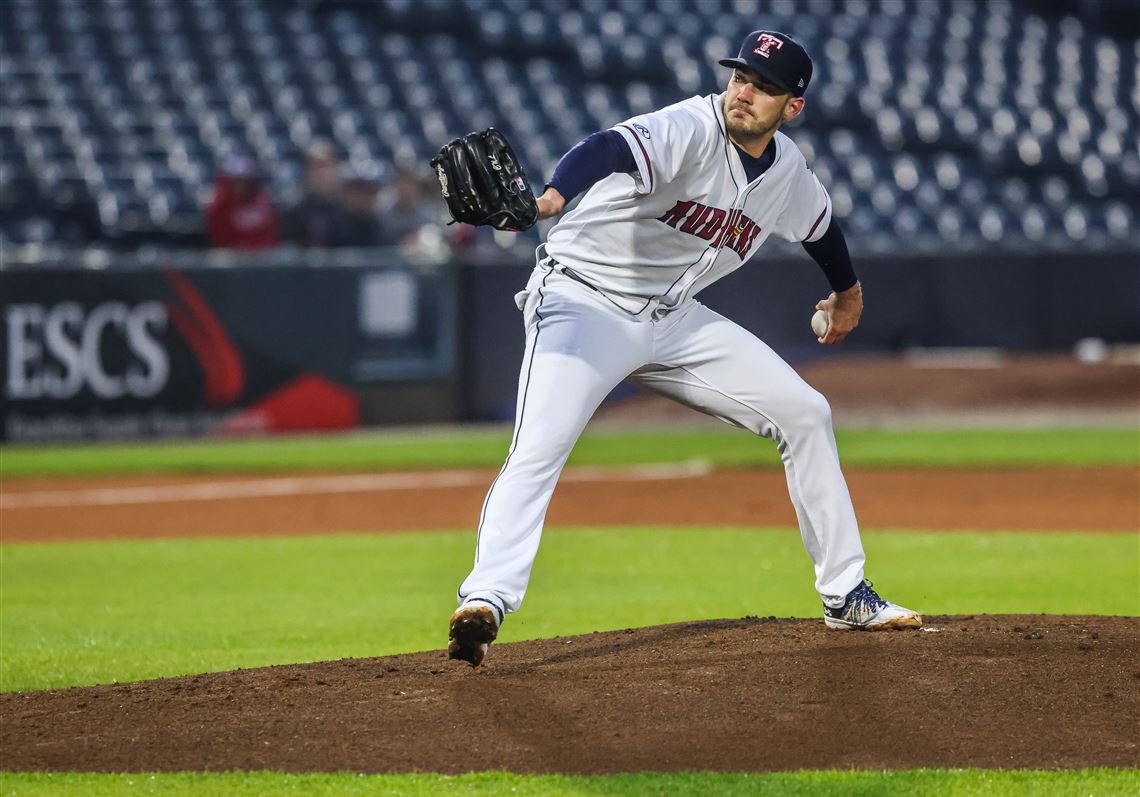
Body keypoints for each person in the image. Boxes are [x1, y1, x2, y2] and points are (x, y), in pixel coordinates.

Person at [447, 30, 922, 667]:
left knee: (806, 413)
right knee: (538, 448)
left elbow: (821, 230)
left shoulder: (786, 172)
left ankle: (846, 595)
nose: (746, 93)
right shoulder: (691, 126)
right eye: (742, 78)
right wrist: (552, 198)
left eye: (765, 87)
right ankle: (485, 599)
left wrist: (849, 292)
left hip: (672, 319)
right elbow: (608, 146)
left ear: (792, 107)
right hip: (583, 301)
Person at [281, 140, 348, 248]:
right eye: (315, 166)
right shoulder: (294, 211)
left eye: (326, 165)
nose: (321, 172)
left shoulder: (349, 209)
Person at [205, 152, 278, 251]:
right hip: (229, 258)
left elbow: (269, 236)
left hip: (261, 257)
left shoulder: (262, 203)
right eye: (237, 181)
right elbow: (221, 238)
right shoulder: (220, 206)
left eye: (246, 181)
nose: (242, 186)